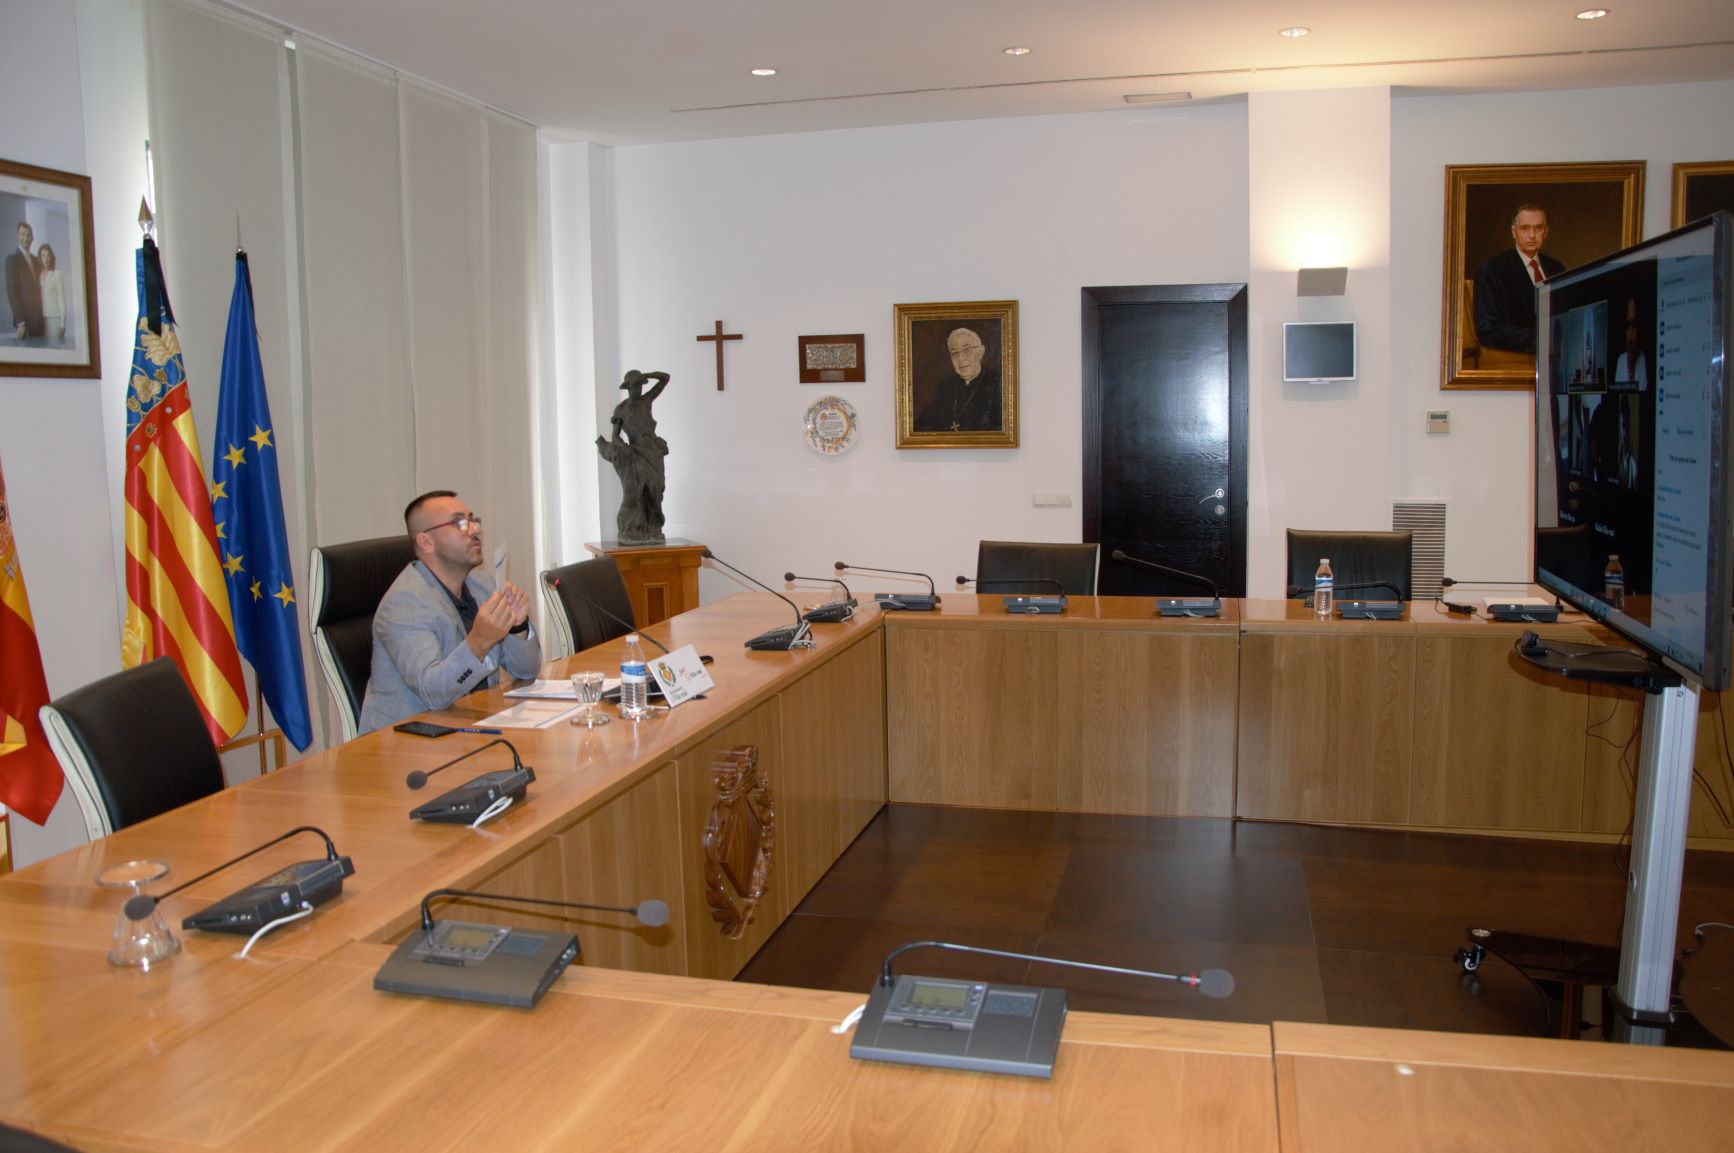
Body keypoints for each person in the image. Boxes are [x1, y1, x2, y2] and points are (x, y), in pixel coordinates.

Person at [358, 490, 541, 733]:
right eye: (460, 523)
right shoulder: (404, 604)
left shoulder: (482, 586)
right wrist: (479, 641)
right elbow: (432, 692)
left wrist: (518, 627)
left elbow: (526, 671)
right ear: (426, 542)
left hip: (471, 726)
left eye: (473, 521)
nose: (475, 530)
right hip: (409, 744)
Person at [1473, 204, 1566, 354]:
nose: (1532, 235)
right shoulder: (1492, 269)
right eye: (1525, 228)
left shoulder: (1556, 267)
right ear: (1514, 232)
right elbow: (1487, 331)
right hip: (1520, 357)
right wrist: (1542, 340)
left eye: (1538, 228)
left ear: (1546, 232)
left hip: (1561, 357)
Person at [595, 369, 670, 545]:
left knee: (658, 487)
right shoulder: (621, 409)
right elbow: (615, 436)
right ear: (628, 387)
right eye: (635, 386)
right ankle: (637, 526)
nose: (639, 389)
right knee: (641, 487)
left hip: (653, 449)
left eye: (640, 385)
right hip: (636, 450)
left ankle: (653, 526)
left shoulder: (646, 401)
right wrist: (625, 449)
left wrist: (647, 375)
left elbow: (665, 378)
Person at [914, 326, 1002, 433]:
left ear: (981, 352)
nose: (960, 358)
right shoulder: (944, 388)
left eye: (967, 350)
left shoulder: (998, 384)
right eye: (954, 353)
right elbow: (920, 426)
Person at [6, 222, 43, 344]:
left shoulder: (36, 260)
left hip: (41, 320)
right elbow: (12, 292)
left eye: (28, 235)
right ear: (18, 236)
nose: (26, 238)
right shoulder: (12, 259)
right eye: (23, 234)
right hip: (25, 321)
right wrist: (20, 322)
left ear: (32, 238)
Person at [1612, 298, 1648, 389]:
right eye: (1628, 326)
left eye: (1634, 325)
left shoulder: (1644, 359)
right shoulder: (1620, 360)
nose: (1630, 337)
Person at [36, 244, 63, 348]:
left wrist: (62, 323)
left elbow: (61, 299)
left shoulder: (57, 274)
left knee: (54, 348)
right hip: (41, 318)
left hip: (54, 317)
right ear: (40, 257)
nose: (46, 259)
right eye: (43, 256)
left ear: (51, 257)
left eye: (48, 255)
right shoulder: (39, 275)